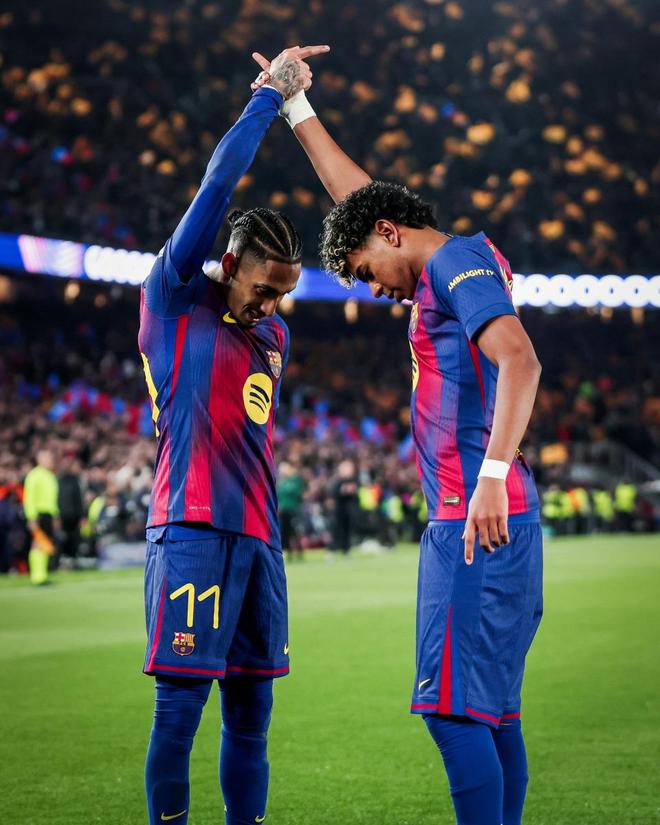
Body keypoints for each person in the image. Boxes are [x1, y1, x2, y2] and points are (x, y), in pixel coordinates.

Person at [252, 60, 543, 825]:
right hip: (493, 512)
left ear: (390, 234)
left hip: (475, 514)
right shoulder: (443, 259)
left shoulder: (452, 263)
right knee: (490, 712)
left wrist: (488, 476)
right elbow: (357, 199)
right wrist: (296, 106)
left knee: (452, 712)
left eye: (364, 271)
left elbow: (521, 359)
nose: (373, 289)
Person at [139, 45, 328, 825]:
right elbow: (218, 186)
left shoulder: (273, 337)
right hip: (190, 529)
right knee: (179, 713)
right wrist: (269, 97)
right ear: (229, 262)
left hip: (260, 541)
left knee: (252, 719)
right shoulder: (174, 297)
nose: (272, 305)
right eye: (264, 286)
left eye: (285, 292)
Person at [23, 448, 59, 585]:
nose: (50, 460)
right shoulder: (34, 475)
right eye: (47, 457)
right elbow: (29, 498)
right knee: (38, 543)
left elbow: (52, 499)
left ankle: (42, 575)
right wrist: (31, 517)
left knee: (45, 544)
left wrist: (55, 515)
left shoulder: (50, 475)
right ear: (39, 459)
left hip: (48, 514)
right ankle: (37, 577)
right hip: (39, 514)